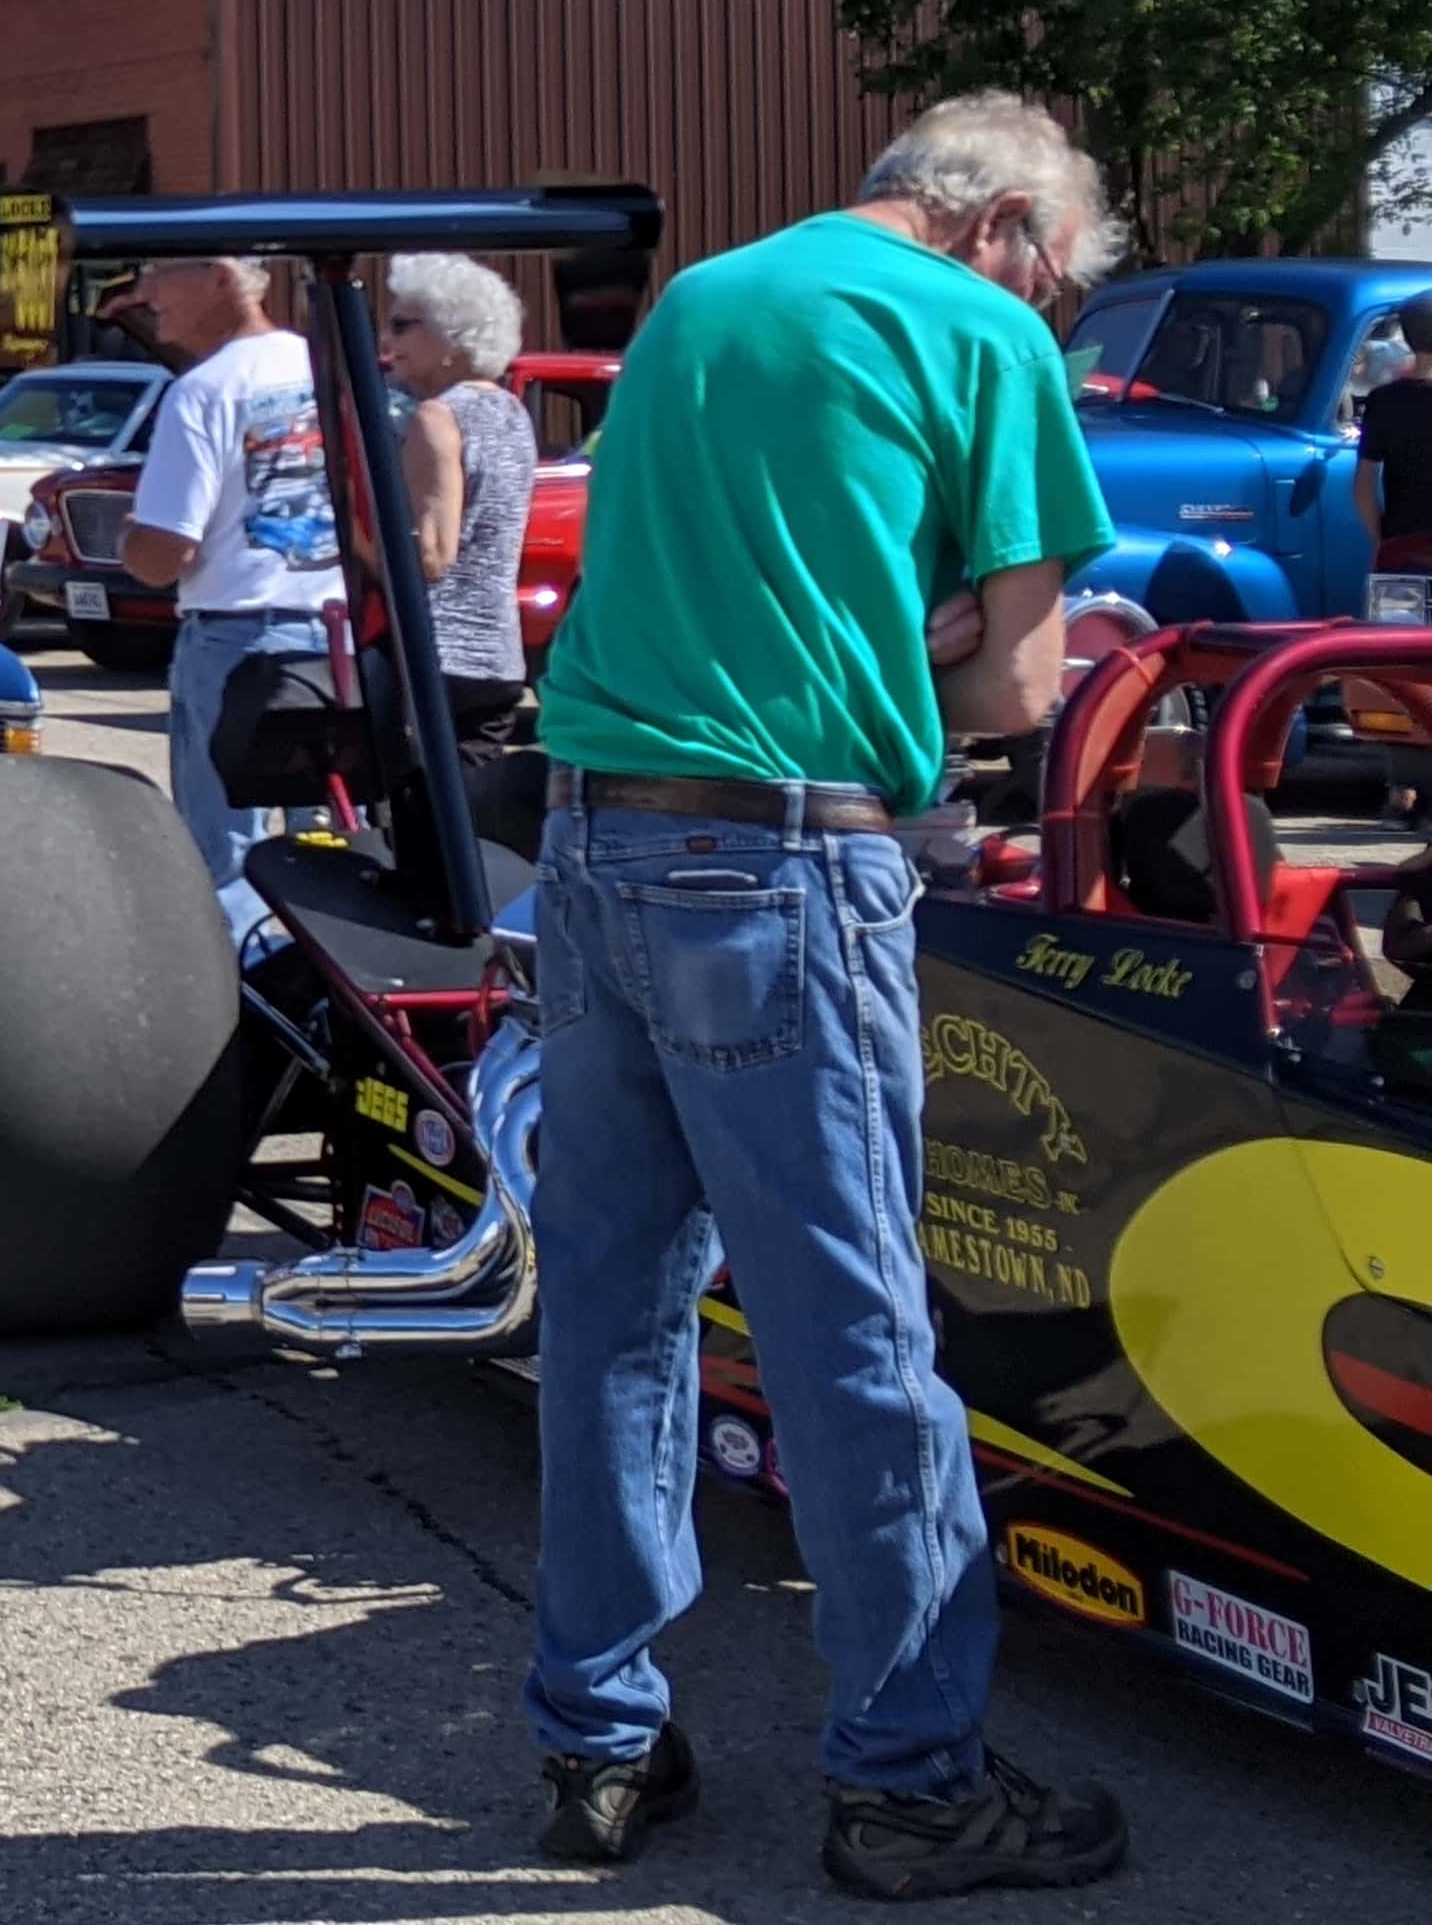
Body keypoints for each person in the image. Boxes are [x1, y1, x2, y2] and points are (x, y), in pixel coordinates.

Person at [525, 93, 1125, 1896]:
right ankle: (913, 1779)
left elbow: (717, 582)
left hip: (589, 842)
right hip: (782, 866)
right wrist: (940, 646)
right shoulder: (985, 331)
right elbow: (1021, 688)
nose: (1062, 318)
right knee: (854, 1339)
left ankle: (597, 1738)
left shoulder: (702, 295)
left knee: (616, 1318)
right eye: (1071, 285)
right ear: (1008, 223)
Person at [118, 254, 342, 942]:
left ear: (222, 277)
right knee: (331, 851)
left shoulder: (204, 392)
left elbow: (165, 553)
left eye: (160, 273)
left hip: (236, 638)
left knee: (226, 860)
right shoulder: (327, 372)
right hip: (336, 638)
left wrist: (127, 540)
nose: (146, 292)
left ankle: (242, 1014)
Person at [382, 252, 536, 745]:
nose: (387, 340)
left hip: (436, 655)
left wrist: (352, 538)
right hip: (498, 656)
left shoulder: (435, 416)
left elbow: (431, 556)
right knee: (477, 816)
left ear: (452, 338)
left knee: (417, 816)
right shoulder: (512, 413)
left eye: (402, 325)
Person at [1353, 293, 1432, 578]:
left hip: (1403, 548)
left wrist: (1383, 541)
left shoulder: (1382, 401)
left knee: (1399, 623)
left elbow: (1363, 486)